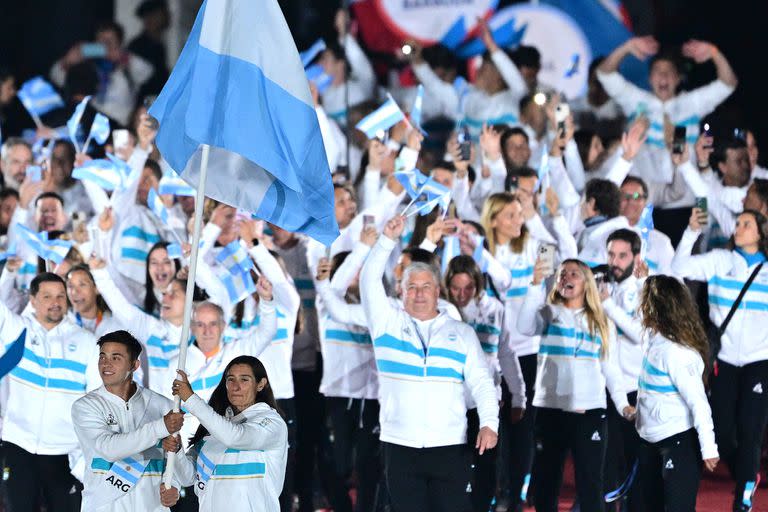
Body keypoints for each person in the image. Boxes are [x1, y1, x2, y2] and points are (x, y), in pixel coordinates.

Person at [360, 215, 499, 512]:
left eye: (426, 286)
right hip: (399, 445)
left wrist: (489, 423)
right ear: (401, 291)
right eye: (412, 287)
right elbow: (368, 280)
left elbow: (482, 382)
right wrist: (386, 240)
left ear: (438, 291)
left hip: (450, 445)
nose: (419, 293)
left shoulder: (461, 333)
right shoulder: (385, 324)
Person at [672, 208, 768, 511]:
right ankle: (747, 472)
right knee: (723, 431)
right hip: (724, 359)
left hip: (760, 362)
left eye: (746, 224)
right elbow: (679, 267)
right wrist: (690, 232)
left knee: (751, 429)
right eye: (737, 223)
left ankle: (743, 494)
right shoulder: (719, 260)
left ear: (761, 233)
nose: (738, 228)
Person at [518, 259, 632, 512]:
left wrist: (623, 405)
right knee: (547, 482)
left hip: (589, 413)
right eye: (562, 273)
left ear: (587, 283)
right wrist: (535, 284)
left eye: (574, 274)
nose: (566, 277)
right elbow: (524, 328)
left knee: (591, 484)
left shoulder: (601, 321)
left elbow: (611, 369)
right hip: (550, 412)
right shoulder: (548, 312)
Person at [0, 272, 100, 512]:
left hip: (65, 454)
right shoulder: (16, 330)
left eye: (60, 296)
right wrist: (9, 272)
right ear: (32, 300)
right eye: (47, 296)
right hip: (18, 446)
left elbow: (97, 400)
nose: (55, 302)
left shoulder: (87, 341)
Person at [597, 36, 737, 187]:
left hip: (684, 195)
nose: (663, 76)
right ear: (650, 79)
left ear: (678, 78)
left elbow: (728, 83)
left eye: (669, 71)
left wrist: (713, 52)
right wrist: (626, 47)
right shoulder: (635, 100)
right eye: (658, 71)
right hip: (640, 195)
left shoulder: (692, 103)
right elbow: (604, 74)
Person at [444, 255, 526, 512]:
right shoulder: (442, 311)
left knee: (486, 464)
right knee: (454, 464)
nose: (461, 294)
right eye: (456, 288)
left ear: (478, 285)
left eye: (468, 288)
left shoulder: (494, 310)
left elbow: (507, 354)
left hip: (486, 401)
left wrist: (519, 395)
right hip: (451, 402)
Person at [71, 330, 184, 511]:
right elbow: (108, 449)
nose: (106, 364)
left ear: (134, 365)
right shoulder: (85, 406)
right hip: (104, 505)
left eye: (116, 358)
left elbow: (173, 460)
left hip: (151, 506)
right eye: (102, 357)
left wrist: (175, 487)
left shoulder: (163, 405)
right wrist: (159, 427)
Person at [635, 275, 719, 512]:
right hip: (648, 441)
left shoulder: (677, 353)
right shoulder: (652, 340)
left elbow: (699, 403)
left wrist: (708, 447)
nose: (640, 307)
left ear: (655, 307)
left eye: (644, 301)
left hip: (677, 444)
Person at [162, 356, 289, 512]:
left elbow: (235, 437)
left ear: (261, 384)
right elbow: (187, 477)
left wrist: (190, 398)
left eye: (244, 380)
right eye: (231, 379)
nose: (236, 387)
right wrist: (176, 450)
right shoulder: (215, 430)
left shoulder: (271, 423)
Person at [599, 229, 646, 511]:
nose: (614, 261)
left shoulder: (645, 288)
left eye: (622, 255)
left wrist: (607, 306)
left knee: (632, 465)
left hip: (636, 389)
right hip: (607, 385)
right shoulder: (604, 285)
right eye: (611, 254)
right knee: (607, 462)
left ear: (636, 257)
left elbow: (641, 334)